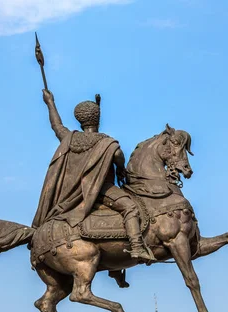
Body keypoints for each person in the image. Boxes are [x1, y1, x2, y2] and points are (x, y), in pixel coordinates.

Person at [32, 89, 155, 263]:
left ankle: (117, 268)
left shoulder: (70, 138)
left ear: (80, 121)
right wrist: (120, 166)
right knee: (130, 207)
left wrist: (50, 103)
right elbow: (118, 155)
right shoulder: (105, 141)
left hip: (75, 194)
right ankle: (136, 246)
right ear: (97, 119)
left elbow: (56, 126)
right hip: (101, 189)